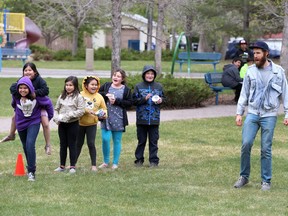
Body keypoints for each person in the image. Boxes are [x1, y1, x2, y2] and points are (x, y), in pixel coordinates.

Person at [233, 41, 288, 191]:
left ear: (266, 53)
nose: (255, 56)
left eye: (258, 53)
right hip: (252, 113)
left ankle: (266, 181)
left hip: (269, 115)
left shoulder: (278, 72)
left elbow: (285, 93)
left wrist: (287, 113)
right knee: (246, 144)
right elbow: (244, 93)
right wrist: (239, 112)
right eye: (254, 53)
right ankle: (244, 177)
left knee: (266, 149)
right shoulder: (251, 71)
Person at [0, 63, 52, 155]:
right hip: (25, 107)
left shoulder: (39, 80)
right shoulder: (22, 80)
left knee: (45, 123)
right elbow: (13, 88)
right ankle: (11, 135)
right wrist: (22, 95)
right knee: (14, 118)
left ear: (35, 72)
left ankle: (48, 144)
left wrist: (33, 93)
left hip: (40, 106)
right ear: (23, 72)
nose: (27, 72)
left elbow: (45, 90)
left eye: (30, 70)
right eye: (25, 70)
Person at [12, 76, 53, 181]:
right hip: (21, 124)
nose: (22, 90)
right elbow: (14, 106)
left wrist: (49, 116)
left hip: (33, 122)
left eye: (25, 88)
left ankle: (31, 172)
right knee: (26, 146)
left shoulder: (37, 97)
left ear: (30, 88)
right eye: (20, 88)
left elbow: (48, 104)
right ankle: (30, 166)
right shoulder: (16, 97)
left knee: (30, 144)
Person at [98, 69, 133, 170]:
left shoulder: (126, 89)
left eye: (118, 76)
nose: (115, 77)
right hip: (106, 117)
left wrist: (116, 101)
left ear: (122, 79)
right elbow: (98, 94)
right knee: (105, 139)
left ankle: (115, 163)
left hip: (119, 118)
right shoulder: (106, 86)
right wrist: (106, 96)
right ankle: (105, 162)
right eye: (114, 75)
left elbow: (130, 103)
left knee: (117, 140)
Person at [133, 65, 165, 167]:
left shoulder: (159, 86)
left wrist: (161, 100)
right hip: (142, 119)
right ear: (144, 75)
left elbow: (164, 98)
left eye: (152, 74)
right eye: (148, 73)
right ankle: (139, 160)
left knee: (153, 141)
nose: (150, 76)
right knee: (141, 141)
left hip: (154, 119)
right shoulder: (138, 86)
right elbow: (134, 101)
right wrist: (144, 99)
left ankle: (154, 161)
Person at [53, 76, 85, 174]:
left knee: (72, 145)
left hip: (73, 124)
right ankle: (62, 166)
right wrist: (56, 118)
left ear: (75, 86)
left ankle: (72, 166)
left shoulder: (78, 97)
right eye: (67, 85)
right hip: (62, 124)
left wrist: (69, 115)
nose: (68, 87)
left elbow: (81, 111)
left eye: (70, 85)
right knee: (63, 145)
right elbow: (56, 108)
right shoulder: (62, 96)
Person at [76, 76, 107, 172]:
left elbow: (104, 109)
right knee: (78, 144)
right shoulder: (80, 95)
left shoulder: (99, 97)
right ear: (86, 85)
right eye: (92, 84)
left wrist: (103, 115)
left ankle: (94, 165)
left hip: (92, 124)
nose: (94, 86)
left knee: (91, 143)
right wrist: (86, 111)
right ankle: (73, 164)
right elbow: (77, 107)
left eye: (96, 84)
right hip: (79, 124)